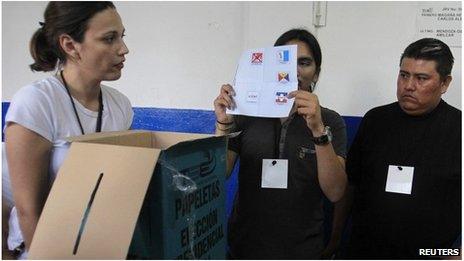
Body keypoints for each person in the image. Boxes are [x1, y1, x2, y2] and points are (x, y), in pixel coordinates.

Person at [4, 2, 132, 259]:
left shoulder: (120, 106)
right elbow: (30, 211)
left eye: (122, 36)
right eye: (109, 39)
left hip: (98, 247)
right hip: (45, 249)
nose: (124, 49)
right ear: (70, 45)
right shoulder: (37, 103)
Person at [213, 28, 347, 259]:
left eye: (304, 63)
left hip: (302, 249)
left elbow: (335, 192)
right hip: (246, 245)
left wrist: (317, 130)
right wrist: (223, 124)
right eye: (285, 61)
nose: (294, 71)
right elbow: (219, 173)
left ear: (316, 74)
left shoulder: (330, 121)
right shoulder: (247, 113)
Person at [341, 38, 461, 259]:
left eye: (421, 78)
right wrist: (335, 240)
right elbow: (351, 185)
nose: (408, 85)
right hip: (365, 251)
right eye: (404, 75)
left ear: (445, 83)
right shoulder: (375, 120)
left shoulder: (458, 129)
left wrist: (455, 254)